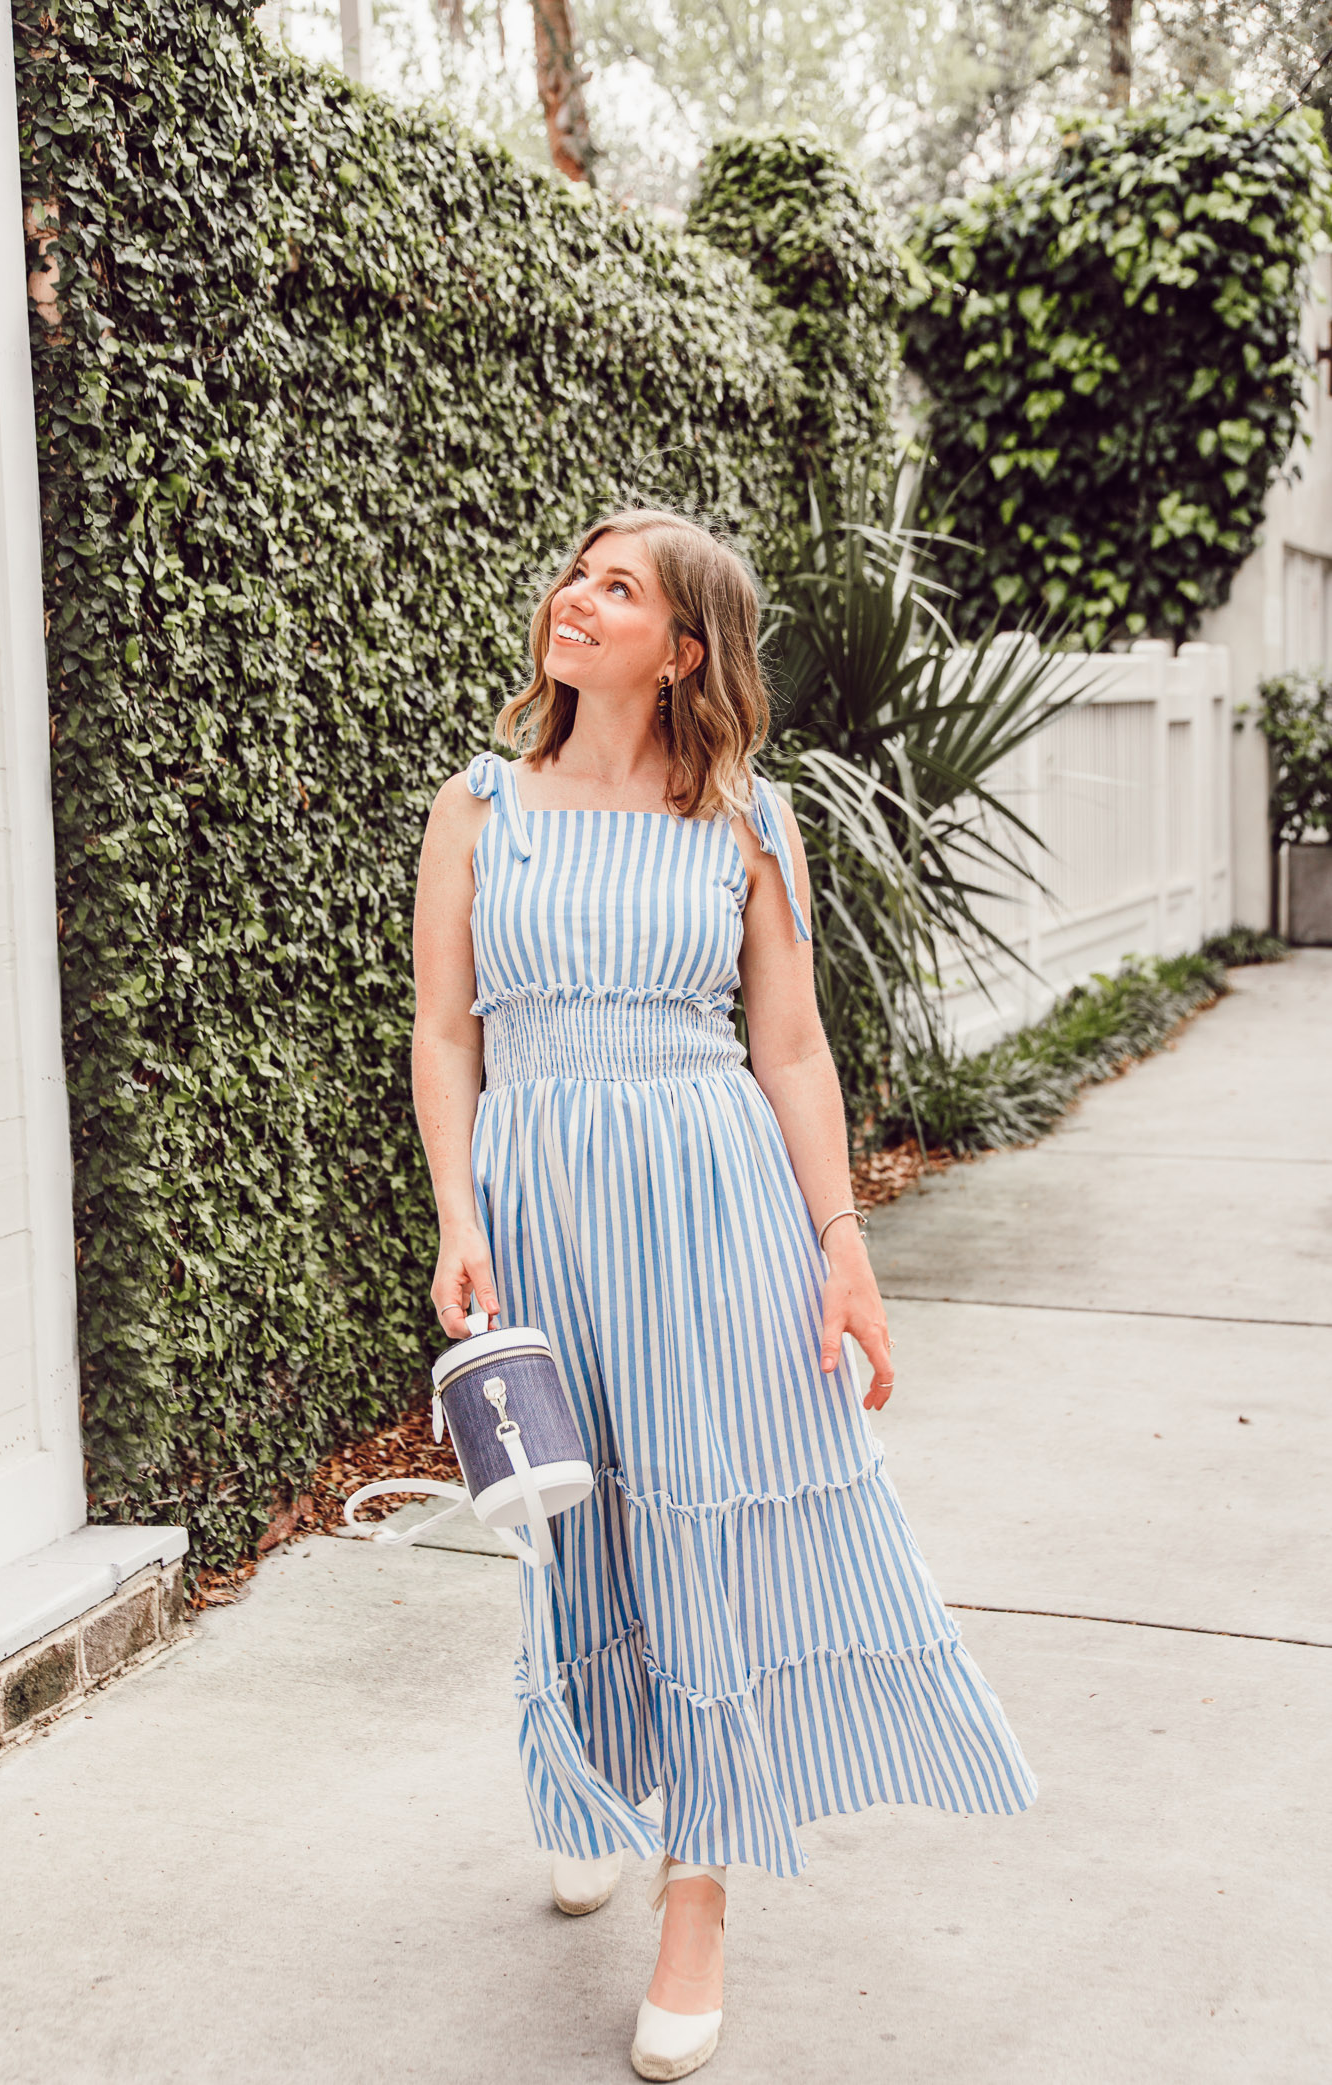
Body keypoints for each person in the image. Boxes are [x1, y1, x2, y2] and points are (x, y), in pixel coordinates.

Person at [411, 506, 1037, 2080]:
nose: (574, 597)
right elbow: (443, 1038)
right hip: (542, 1200)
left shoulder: (745, 825)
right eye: (575, 572)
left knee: (696, 1525)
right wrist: (455, 1213)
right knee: (573, 1514)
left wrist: (840, 1236)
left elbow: (792, 1048)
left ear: (683, 648)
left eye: (616, 588)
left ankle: (696, 1892)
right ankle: (585, 1778)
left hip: (707, 1202)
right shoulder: (477, 808)